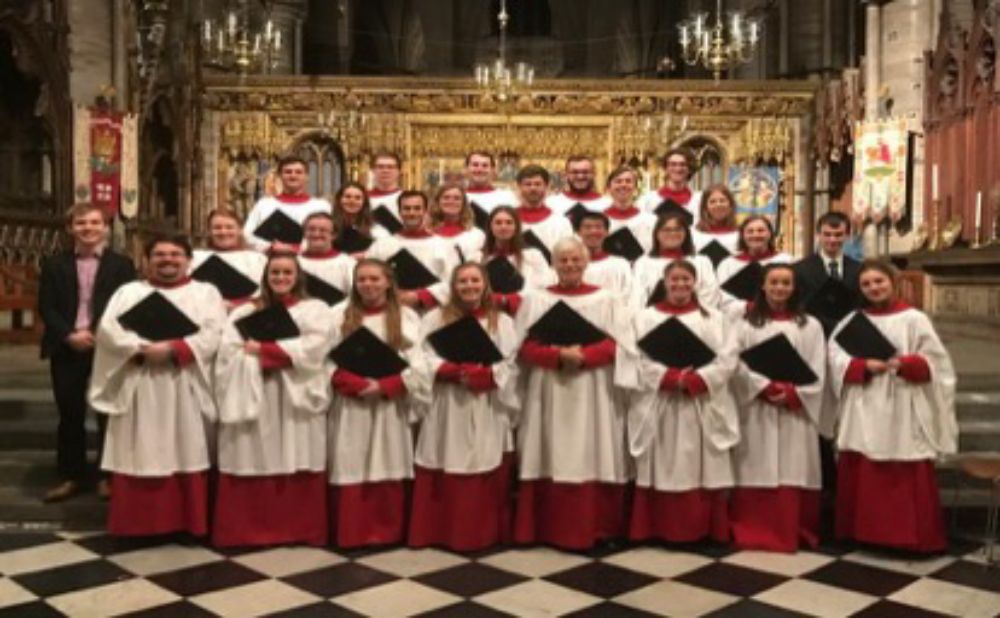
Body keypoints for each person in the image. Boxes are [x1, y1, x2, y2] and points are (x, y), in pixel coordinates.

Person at [88, 234, 225, 536]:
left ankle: (189, 523)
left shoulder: (206, 293)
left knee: (186, 447)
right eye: (160, 254)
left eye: (176, 254)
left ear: (189, 260)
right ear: (146, 261)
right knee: (138, 449)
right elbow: (108, 331)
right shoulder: (129, 292)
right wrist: (138, 348)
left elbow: (214, 333)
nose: (168, 259)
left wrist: (175, 348)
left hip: (184, 381)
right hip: (140, 382)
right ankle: (137, 526)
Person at [830, 260, 956, 553]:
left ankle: (909, 537)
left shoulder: (914, 319)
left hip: (902, 402)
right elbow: (834, 357)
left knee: (904, 458)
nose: (874, 288)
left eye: (879, 281)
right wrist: (861, 365)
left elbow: (938, 364)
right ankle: (863, 532)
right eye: (867, 284)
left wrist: (908, 364)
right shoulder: (852, 320)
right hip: (865, 401)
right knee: (864, 458)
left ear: (892, 281)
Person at [514, 237, 631, 550]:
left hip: (594, 385)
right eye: (563, 260)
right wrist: (556, 356)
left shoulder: (607, 299)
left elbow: (623, 342)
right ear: (553, 265)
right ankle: (545, 527)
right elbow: (521, 345)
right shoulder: (536, 299)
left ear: (586, 262)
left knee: (593, 447)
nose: (569, 265)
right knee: (548, 446)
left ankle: (598, 527)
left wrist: (586, 356)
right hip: (548, 384)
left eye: (575, 260)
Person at [212, 251, 332, 546]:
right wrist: (265, 357)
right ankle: (245, 530)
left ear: (298, 276)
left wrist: (265, 352)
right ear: (265, 277)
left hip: (296, 395)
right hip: (255, 391)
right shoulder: (244, 312)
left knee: (297, 450)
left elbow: (318, 347)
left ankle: (299, 529)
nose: (280, 278)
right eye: (274, 273)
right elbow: (229, 352)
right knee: (250, 452)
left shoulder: (315, 309)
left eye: (286, 273)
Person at [409, 263, 520, 551]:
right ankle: (438, 531)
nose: (469, 286)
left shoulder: (502, 321)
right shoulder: (435, 318)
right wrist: (449, 370)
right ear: (453, 286)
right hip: (447, 401)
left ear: (485, 285)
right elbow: (420, 357)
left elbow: (512, 362)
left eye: (475, 280)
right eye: (462, 281)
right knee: (442, 453)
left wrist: (487, 376)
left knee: (482, 455)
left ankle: (480, 533)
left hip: (485, 402)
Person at [625, 260, 738, 544]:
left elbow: (728, 357)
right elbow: (634, 357)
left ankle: (701, 528)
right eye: (674, 279)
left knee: (701, 464)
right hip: (660, 401)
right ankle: (656, 527)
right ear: (664, 282)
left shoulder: (715, 318)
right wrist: (667, 376)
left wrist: (701, 378)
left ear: (695, 282)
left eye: (686, 279)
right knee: (662, 461)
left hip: (700, 401)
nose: (680, 284)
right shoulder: (644, 318)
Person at [326, 259, 429, 547]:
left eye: (374, 279)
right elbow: (323, 360)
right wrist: (351, 383)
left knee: (388, 458)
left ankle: (387, 532)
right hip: (351, 402)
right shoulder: (337, 315)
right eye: (362, 279)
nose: (368, 284)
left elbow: (420, 363)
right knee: (351, 458)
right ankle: (352, 532)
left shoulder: (407, 316)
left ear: (387, 282)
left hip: (388, 403)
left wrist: (386, 386)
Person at [38, 203, 136, 502]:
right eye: (81, 223)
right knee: (70, 414)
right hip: (66, 346)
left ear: (105, 227)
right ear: (70, 228)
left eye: (95, 223)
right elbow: (47, 306)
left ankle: (107, 476)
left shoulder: (122, 265)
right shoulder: (54, 264)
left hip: (105, 345)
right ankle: (71, 476)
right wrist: (69, 334)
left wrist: (95, 333)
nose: (88, 228)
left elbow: (125, 304)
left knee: (107, 412)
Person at [729, 263, 826, 552]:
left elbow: (819, 366)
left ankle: (794, 529)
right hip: (756, 408)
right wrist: (763, 387)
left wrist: (796, 393)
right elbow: (734, 365)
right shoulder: (745, 324)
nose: (780, 288)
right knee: (755, 461)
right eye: (774, 282)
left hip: (795, 409)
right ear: (763, 286)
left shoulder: (809, 325)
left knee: (792, 464)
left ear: (795, 288)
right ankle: (752, 527)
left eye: (786, 283)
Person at [367, 190, 459, 310]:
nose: (412, 213)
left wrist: (420, 295)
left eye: (417, 208)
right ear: (399, 212)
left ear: (425, 211)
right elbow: (367, 275)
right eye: (407, 208)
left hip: (431, 311)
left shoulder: (444, 245)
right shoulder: (382, 245)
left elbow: (454, 279)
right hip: (392, 308)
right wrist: (391, 293)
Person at [467, 206, 553, 315]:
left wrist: (512, 299)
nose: (503, 227)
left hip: (524, 312)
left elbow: (544, 284)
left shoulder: (533, 255)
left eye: (509, 222)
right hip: (487, 313)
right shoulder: (476, 257)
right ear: (490, 227)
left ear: (516, 227)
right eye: (498, 223)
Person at [631, 212, 720, 310]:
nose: (673, 233)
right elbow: (637, 297)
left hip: (695, 319)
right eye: (666, 230)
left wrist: (692, 315)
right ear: (656, 234)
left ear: (686, 233)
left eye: (678, 229)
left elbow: (710, 293)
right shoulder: (644, 263)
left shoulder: (702, 262)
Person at [243, 155, 332, 252]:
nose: (293, 176)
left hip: (309, 261)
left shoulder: (321, 206)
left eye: (298, 172)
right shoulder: (264, 204)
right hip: (270, 259)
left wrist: (293, 248)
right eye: (288, 172)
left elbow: (328, 237)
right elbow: (246, 235)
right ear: (280, 176)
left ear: (307, 177)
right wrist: (270, 247)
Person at [794, 211, 862, 336]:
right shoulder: (800, 269)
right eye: (827, 234)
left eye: (838, 235)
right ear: (818, 235)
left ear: (847, 236)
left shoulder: (858, 269)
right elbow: (798, 306)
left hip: (850, 334)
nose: (832, 239)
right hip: (813, 333)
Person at [190, 209, 267, 309]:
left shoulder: (257, 259)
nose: (223, 232)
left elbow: (262, 296)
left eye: (229, 227)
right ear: (209, 231)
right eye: (217, 228)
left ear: (240, 230)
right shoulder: (196, 257)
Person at [716, 215, 791, 318]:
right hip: (739, 320)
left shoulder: (786, 260)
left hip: (777, 317)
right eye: (750, 231)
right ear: (742, 236)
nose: (755, 235)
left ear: (770, 234)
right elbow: (721, 296)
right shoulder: (728, 263)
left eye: (761, 230)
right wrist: (747, 306)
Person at [513, 164, 574, 262]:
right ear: (519, 186)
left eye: (537, 184)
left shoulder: (561, 222)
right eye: (528, 184)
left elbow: (566, 255)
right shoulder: (508, 220)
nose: (533, 188)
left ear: (546, 186)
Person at [298, 212, 355, 304]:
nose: (316, 234)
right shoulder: (294, 262)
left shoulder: (347, 263)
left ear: (334, 235)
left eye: (323, 230)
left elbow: (354, 296)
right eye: (311, 229)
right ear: (304, 233)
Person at [638, 147, 702, 226]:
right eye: (673, 164)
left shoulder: (700, 200)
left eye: (683, 164)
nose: (678, 168)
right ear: (665, 168)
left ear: (689, 169)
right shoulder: (647, 200)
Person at [576, 212, 632, 300]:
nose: (593, 231)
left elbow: (628, 296)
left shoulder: (620, 265)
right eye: (587, 227)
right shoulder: (568, 266)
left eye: (598, 227)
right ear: (578, 232)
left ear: (607, 232)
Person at [603, 165, 657, 257]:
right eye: (618, 181)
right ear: (609, 188)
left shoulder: (651, 220)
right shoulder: (599, 221)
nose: (623, 185)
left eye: (628, 181)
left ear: (636, 187)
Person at [429, 183, 486, 261]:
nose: (451, 201)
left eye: (457, 198)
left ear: (463, 204)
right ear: (438, 202)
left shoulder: (476, 235)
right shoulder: (426, 233)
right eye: (446, 197)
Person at [331, 182, 388, 258]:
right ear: (339, 199)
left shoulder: (375, 228)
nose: (352, 201)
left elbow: (384, 252)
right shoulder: (328, 225)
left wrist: (365, 255)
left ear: (364, 202)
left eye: (357, 198)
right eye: (347, 197)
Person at [691, 184, 740, 265]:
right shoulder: (694, 233)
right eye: (712, 202)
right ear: (705, 207)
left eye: (722, 200)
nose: (718, 205)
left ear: (731, 205)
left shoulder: (741, 233)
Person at [547, 155, 612, 215]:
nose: (580, 176)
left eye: (585, 172)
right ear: (566, 175)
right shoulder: (551, 203)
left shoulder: (609, 204)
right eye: (575, 172)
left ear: (594, 174)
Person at [368, 152, 404, 233]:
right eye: (380, 167)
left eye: (390, 167)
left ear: (399, 171)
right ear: (372, 170)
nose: (385, 170)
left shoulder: (407, 199)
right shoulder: (361, 198)